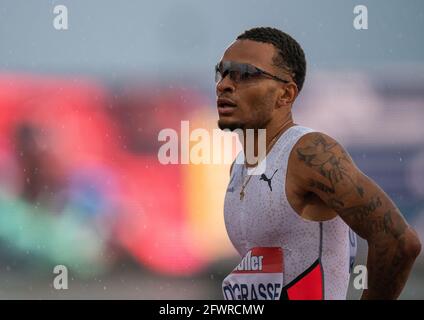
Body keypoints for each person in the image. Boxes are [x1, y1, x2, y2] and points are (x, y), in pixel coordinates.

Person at [216, 27, 421, 300]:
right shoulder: (240, 166)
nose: (224, 85)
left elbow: (399, 241)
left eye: (245, 75)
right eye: (223, 73)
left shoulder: (308, 153)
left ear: (286, 95)